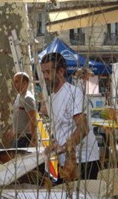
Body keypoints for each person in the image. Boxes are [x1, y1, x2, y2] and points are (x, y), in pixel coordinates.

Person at [40, 52, 99, 181]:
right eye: (43, 72)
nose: (45, 76)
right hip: (66, 162)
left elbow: (83, 127)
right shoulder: (51, 98)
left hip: (83, 161)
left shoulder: (73, 93)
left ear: (61, 72)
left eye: (48, 72)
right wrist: (55, 144)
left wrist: (65, 148)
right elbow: (62, 129)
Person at [4, 72, 38, 148]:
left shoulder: (28, 98)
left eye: (16, 82)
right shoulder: (19, 96)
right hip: (18, 138)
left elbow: (33, 120)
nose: (14, 84)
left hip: (25, 139)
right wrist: (13, 129)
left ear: (25, 83)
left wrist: (33, 140)